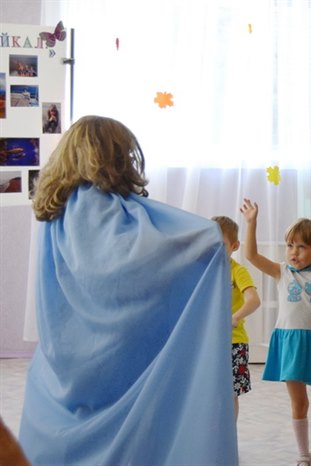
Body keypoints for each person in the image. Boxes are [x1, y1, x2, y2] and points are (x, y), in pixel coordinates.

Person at [20, 116, 238, 465]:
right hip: (114, 359)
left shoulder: (54, 210)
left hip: (62, 354)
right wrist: (206, 239)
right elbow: (137, 257)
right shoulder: (99, 206)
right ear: (115, 156)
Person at [240, 199, 311, 466]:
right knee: (299, 403)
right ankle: (304, 455)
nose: (294, 252)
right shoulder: (281, 271)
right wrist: (251, 223)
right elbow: (251, 256)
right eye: (290, 245)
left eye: (301, 246)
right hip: (290, 343)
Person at [212, 216, 261, 420]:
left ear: (234, 246)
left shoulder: (237, 271)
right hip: (208, 342)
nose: (214, 248)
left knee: (230, 393)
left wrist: (235, 317)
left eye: (221, 244)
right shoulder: (203, 271)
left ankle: (228, 435)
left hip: (233, 342)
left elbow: (254, 300)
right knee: (209, 391)